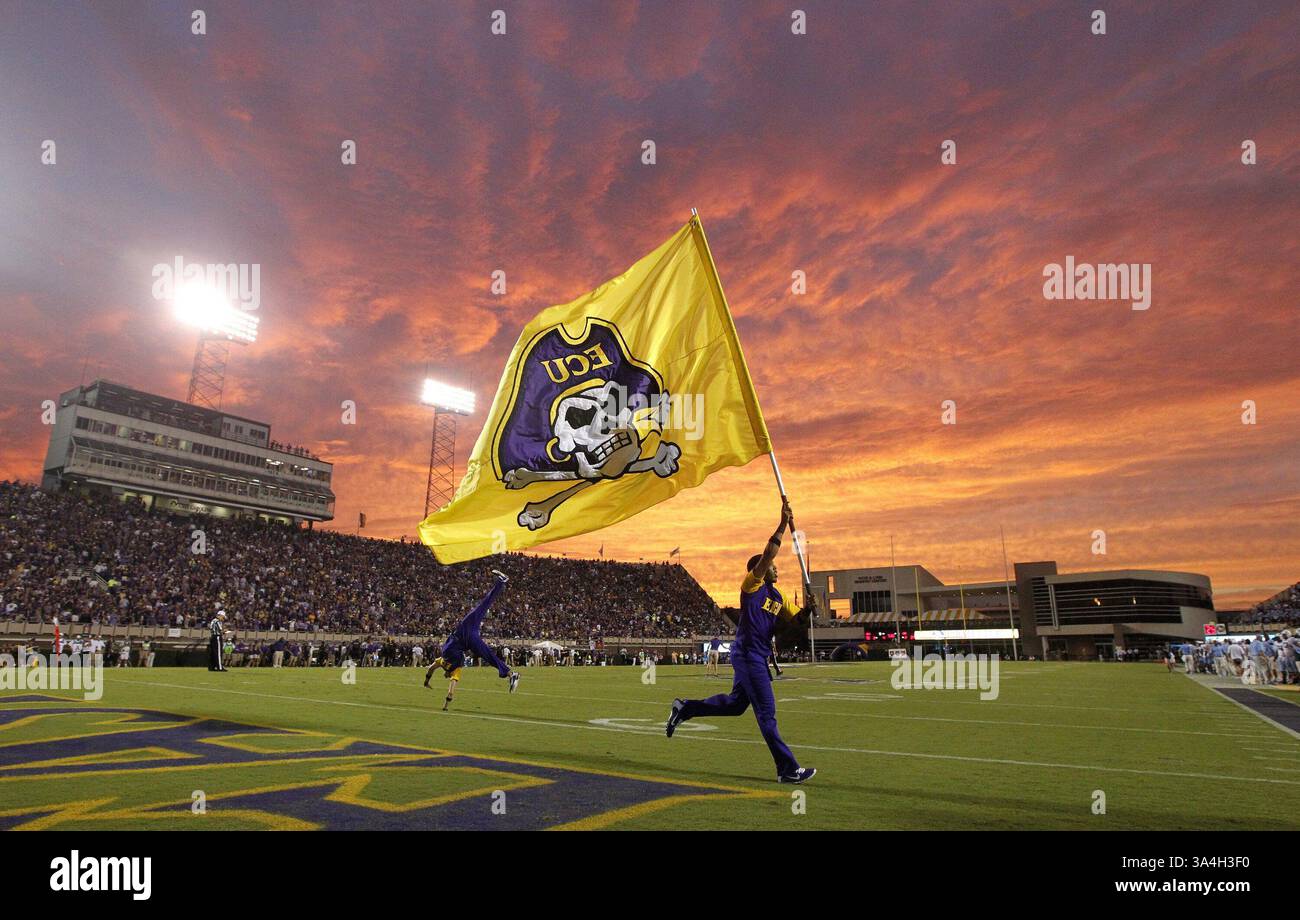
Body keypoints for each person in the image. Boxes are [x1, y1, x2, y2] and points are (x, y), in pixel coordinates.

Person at [665, 498, 816, 784]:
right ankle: (787, 768)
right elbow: (769, 554)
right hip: (748, 656)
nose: (776, 569)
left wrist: (809, 609)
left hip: (756, 657)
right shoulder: (752, 585)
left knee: (735, 706)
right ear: (759, 568)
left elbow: (797, 624)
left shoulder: (779, 596)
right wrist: (783, 523)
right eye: (771, 567)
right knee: (767, 715)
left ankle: (684, 708)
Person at [423, 570, 520, 710]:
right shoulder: (449, 666)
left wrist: (427, 682)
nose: (445, 675)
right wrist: (442, 698)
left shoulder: (444, 663)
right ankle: (501, 582)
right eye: (446, 675)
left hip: (467, 639)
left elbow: (431, 670)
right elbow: (444, 681)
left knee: (488, 655)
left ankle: (511, 674)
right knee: (483, 606)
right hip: (465, 632)